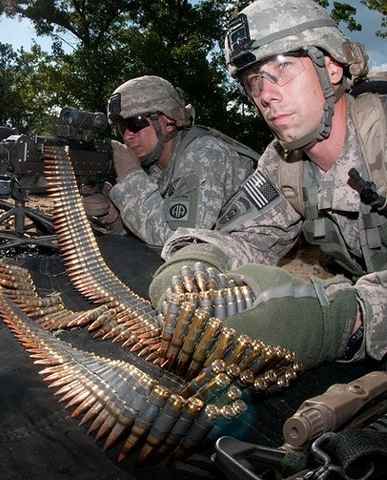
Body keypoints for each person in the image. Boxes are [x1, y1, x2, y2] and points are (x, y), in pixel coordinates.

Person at [149, 0, 386, 370]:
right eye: (254, 81)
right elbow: (247, 234)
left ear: (333, 67)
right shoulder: (283, 162)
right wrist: (196, 261)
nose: (267, 94)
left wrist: (344, 318)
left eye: (284, 67)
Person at [82, 75, 258, 246]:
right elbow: (147, 232)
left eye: (136, 123)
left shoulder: (204, 154)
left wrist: (130, 177)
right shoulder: (155, 169)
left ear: (168, 122)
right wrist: (113, 219)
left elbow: (178, 241)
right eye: (122, 127)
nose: (128, 135)